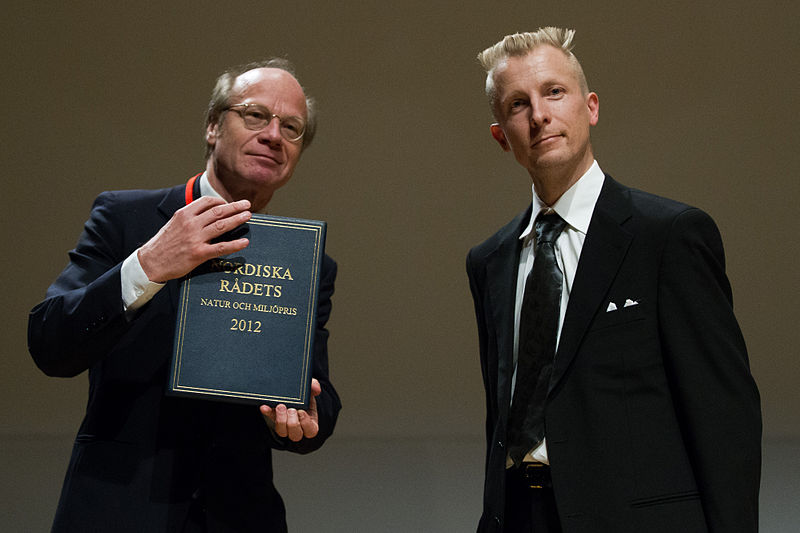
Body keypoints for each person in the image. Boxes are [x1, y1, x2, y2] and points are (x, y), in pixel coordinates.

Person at [466, 28, 761, 532]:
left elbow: (725, 419)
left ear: (591, 107)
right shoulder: (490, 261)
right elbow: (505, 415)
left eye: (554, 92)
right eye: (519, 104)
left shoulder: (667, 237)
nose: (539, 115)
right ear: (501, 135)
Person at [28, 58, 341, 532]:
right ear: (214, 127)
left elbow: (315, 395)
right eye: (255, 115)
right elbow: (51, 341)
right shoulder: (125, 219)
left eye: (292, 127)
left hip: (239, 517)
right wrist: (149, 264)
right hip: (117, 511)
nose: (273, 135)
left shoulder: (305, 260)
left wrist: (306, 421)